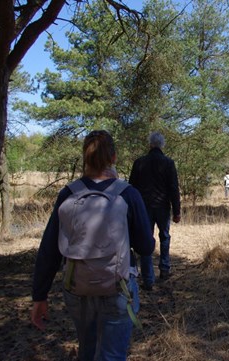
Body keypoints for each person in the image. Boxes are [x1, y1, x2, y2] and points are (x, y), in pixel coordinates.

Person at [31, 130, 155, 361]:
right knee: (112, 355)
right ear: (114, 158)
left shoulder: (68, 193)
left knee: (87, 351)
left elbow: (49, 250)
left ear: (85, 158)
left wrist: (40, 296)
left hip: (77, 289)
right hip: (118, 289)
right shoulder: (128, 194)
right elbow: (146, 248)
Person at [129, 131, 181, 290]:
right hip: (163, 207)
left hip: (143, 208)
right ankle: (164, 269)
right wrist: (177, 211)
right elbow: (173, 188)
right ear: (162, 145)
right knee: (164, 236)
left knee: (146, 239)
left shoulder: (139, 163)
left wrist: (131, 211)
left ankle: (148, 279)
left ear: (150, 144)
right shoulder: (168, 163)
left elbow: (131, 188)